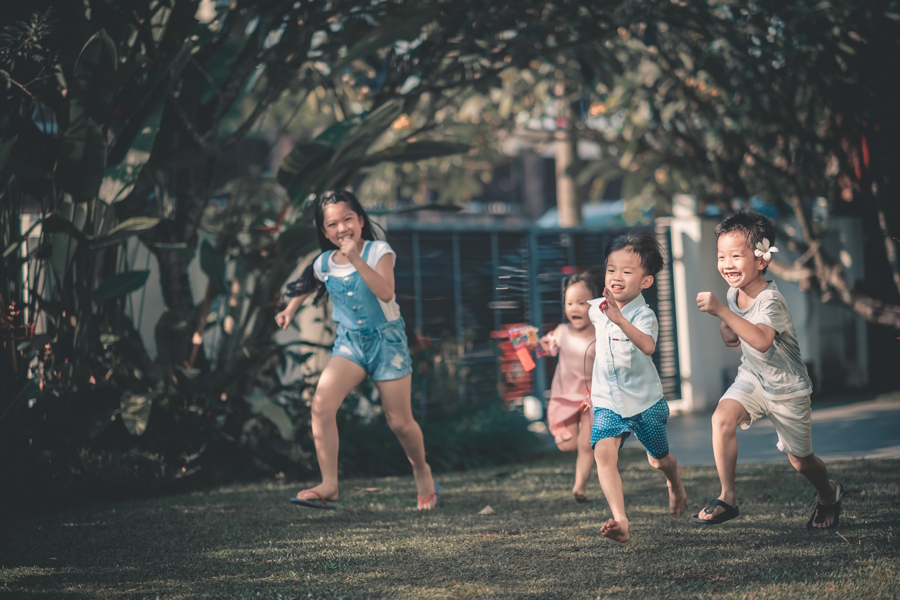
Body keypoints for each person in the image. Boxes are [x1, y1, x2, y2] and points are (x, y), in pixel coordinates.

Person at [275, 190, 439, 511]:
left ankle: (422, 471)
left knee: (399, 422)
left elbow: (386, 293)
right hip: (350, 344)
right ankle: (329, 485)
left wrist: (356, 259)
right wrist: (290, 309)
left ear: (361, 220)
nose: (342, 228)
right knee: (321, 406)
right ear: (325, 232)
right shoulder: (325, 262)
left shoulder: (379, 251)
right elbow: (309, 279)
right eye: (332, 224)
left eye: (348, 219)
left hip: (386, 344)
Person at [694, 210, 842, 528]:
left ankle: (828, 493)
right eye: (721, 256)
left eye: (736, 256)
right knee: (721, 419)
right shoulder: (734, 294)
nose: (727, 264)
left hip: (787, 388)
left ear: (761, 260)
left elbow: (761, 340)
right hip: (753, 377)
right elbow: (736, 330)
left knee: (801, 463)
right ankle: (727, 498)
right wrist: (726, 326)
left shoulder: (770, 301)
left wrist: (721, 312)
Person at [588, 231, 687, 543]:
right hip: (608, 402)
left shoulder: (645, 315)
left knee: (658, 459)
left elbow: (647, 346)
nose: (616, 277)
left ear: (646, 281)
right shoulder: (596, 309)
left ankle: (674, 481)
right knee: (603, 454)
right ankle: (621, 521)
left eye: (627, 272)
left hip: (645, 402)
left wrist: (620, 320)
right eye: (611, 269)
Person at [539, 271, 602, 503]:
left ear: (594, 305)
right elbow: (546, 348)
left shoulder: (600, 335)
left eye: (581, 303)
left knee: (586, 445)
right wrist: (533, 343)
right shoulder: (561, 332)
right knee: (567, 446)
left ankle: (579, 487)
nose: (574, 308)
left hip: (590, 399)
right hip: (565, 397)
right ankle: (562, 433)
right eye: (569, 303)